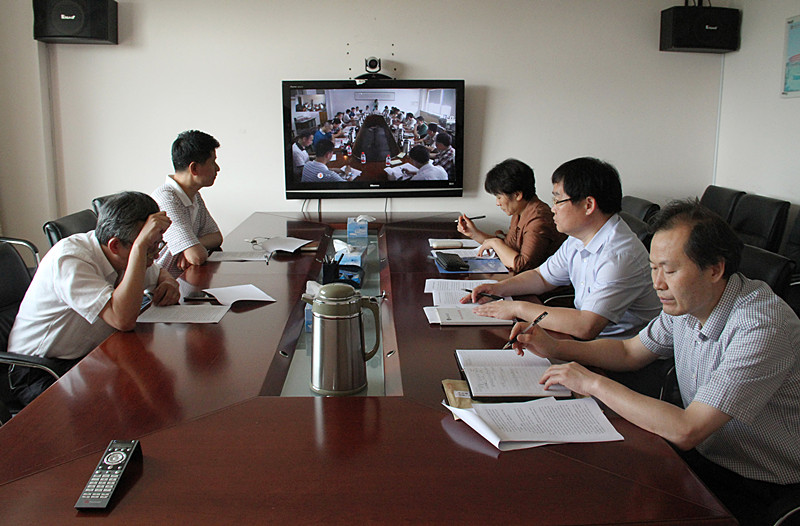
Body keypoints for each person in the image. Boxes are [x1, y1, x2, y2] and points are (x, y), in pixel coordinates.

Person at [517, 199, 800, 525]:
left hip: (763, 483)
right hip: (707, 454)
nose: (658, 283)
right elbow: (629, 352)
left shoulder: (760, 326)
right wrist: (556, 347)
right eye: (654, 268)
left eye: (670, 270)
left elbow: (687, 428)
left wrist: (591, 382)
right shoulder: (689, 301)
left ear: (714, 269)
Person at [6, 191, 180, 406]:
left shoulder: (122, 252)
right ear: (115, 246)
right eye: (149, 247)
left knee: (157, 388)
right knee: (133, 404)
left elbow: (158, 273)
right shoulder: (71, 259)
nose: (156, 254)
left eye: (157, 245)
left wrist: (168, 283)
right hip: (40, 371)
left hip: (90, 356)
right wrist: (139, 249)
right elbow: (122, 319)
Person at [463, 157, 660, 340]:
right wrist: (498, 288)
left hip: (615, 351)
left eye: (558, 200)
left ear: (588, 205)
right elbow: (541, 277)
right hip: (589, 341)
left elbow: (586, 326)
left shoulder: (619, 255)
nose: (553, 208)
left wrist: (517, 308)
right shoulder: (579, 237)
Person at [457, 159, 565, 273]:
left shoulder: (538, 219)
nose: (497, 203)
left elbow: (523, 265)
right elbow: (508, 247)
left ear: (517, 195)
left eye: (499, 197)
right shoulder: (520, 211)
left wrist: (495, 242)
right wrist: (474, 233)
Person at [152, 130, 223, 278]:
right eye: (212, 162)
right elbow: (196, 257)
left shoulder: (194, 195)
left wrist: (190, 245)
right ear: (194, 168)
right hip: (158, 285)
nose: (217, 168)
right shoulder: (167, 199)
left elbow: (216, 236)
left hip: (182, 279)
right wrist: (191, 248)